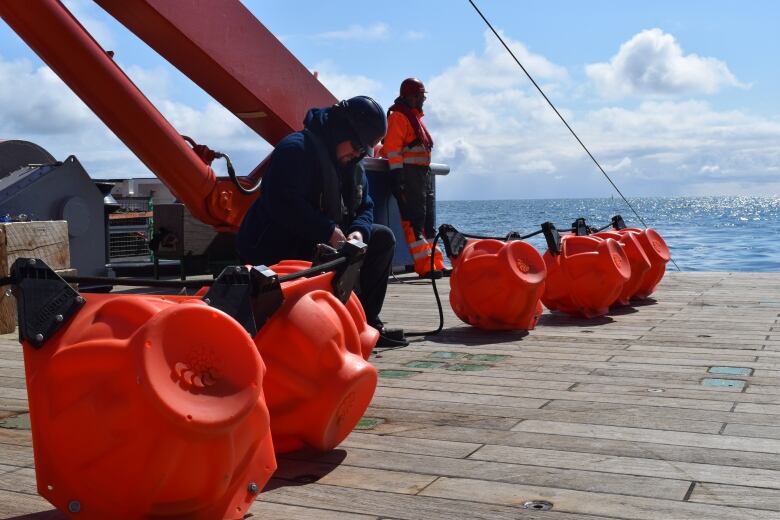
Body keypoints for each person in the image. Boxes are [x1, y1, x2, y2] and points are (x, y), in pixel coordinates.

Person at [236, 95, 407, 346]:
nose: (359, 154)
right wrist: (327, 231)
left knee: (381, 239)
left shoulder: (352, 163)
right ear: (340, 130)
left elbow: (365, 206)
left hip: (324, 238)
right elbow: (282, 203)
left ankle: (368, 324)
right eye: (357, 146)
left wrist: (358, 233)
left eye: (363, 150)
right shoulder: (295, 150)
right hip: (277, 243)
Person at [380, 78, 445, 278]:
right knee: (414, 223)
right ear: (411, 96)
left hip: (421, 175)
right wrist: (398, 177)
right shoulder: (399, 117)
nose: (423, 100)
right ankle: (425, 267)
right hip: (408, 176)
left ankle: (435, 264)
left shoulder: (413, 117)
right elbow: (392, 149)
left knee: (427, 224)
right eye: (421, 96)